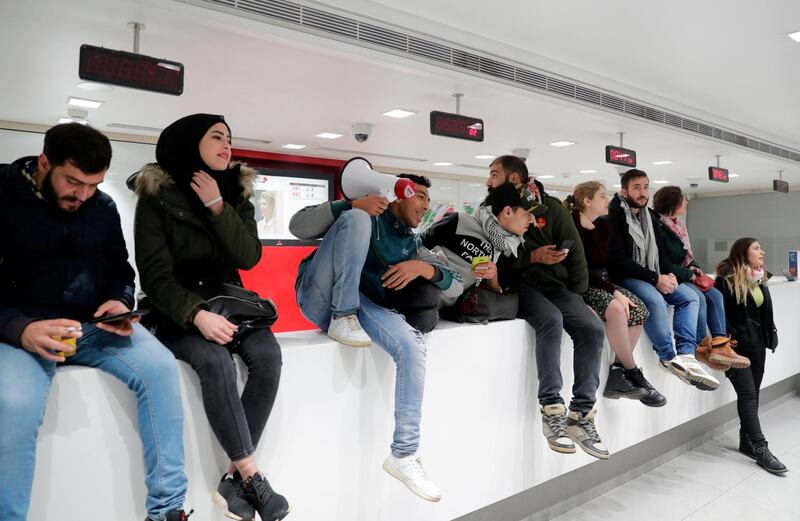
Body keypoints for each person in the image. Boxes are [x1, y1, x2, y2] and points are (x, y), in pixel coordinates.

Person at [0, 123, 190, 521]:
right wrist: (20, 329)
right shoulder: (3, 195)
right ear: (44, 162)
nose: (83, 195)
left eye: (93, 184)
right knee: (13, 403)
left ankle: (168, 510)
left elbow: (121, 272)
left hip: (91, 329)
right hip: (21, 333)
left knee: (160, 368)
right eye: (73, 182)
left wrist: (117, 302)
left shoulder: (102, 208)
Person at [133, 114, 288, 521]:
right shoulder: (156, 194)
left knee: (268, 357)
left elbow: (248, 257)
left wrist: (219, 207)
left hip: (229, 301)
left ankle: (233, 479)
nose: (227, 146)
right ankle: (252, 474)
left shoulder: (235, 193)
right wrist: (196, 314)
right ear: (189, 143)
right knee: (215, 361)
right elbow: (154, 275)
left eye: (230, 139)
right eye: (216, 137)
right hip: (176, 308)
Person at [289, 173, 462, 502]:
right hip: (318, 293)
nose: (425, 205)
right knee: (356, 219)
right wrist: (349, 205)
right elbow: (297, 227)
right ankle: (341, 316)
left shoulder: (414, 246)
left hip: (359, 305)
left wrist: (423, 269)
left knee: (412, 346)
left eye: (428, 199)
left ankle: (404, 454)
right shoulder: (368, 211)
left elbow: (454, 283)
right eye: (420, 196)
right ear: (399, 195)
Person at [486, 156, 609, 460]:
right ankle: (552, 410)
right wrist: (532, 257)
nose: (489, 181)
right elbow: (499, 260)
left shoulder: (552, 208)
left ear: (514, 178)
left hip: (557, 287)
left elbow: (577, 254)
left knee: (592, 328)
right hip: (522, 286)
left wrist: (581, 296)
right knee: (551, 320)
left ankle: (581, 415)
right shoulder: (491, 212)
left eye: (494, 174)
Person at [566, 182, 665, 407]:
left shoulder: (603, 226)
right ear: (587, 201)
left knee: (639, 309)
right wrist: (614, 294)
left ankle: (618, 373)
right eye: (602, 196)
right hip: (580, 284)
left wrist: (614, 290)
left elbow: (604, 265)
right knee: (616, 309)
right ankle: (633, 372)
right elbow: (581, 269)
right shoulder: (570, 223)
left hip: (602, 282)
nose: (607, 200)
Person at [652, 186, 749, 369]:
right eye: (683, 198)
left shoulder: (678, 225)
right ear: (674, 202)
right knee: (699, 299)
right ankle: (700, 345)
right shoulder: (659, 226)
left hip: (684, 274)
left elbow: (685, 255)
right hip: (671, 276)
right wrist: (688, 273)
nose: (687, 202)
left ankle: (720, 344)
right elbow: (663, 261)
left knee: (716, 295)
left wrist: (694, 266)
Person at [714, 239, 787, 474]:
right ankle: (761, 448)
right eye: (756, 248)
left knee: (753, 394)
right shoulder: (725, 281)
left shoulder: (760, 279)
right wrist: (727, 346)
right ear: (742, 252)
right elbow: (720, 317)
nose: (762, 251)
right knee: (747, 395)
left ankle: (746, 441)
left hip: (757, 346)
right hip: (736, 348)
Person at [420, 182, 530, 306]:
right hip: (422, 291)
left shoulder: (506, 250)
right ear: (507, 212)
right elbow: (417, 246)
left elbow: (493, 297)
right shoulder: (458, 221)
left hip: (443, 310)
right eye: (527, 214)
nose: (531, 220)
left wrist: (492, 278)